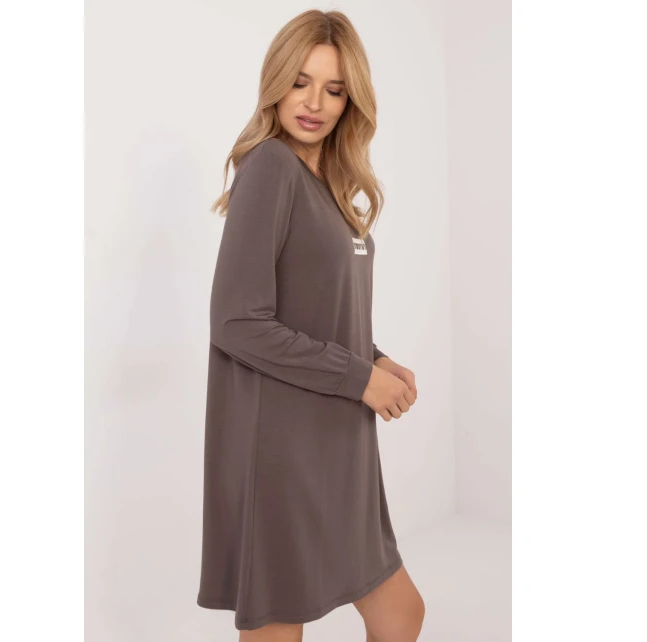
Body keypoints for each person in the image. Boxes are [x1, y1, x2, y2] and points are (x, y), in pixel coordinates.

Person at [197, 9, 425, 641]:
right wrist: (360, 377)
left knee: (400, 613)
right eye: (300, 82)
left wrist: (373, 358)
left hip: (339, 439)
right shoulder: (271, 166)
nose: (314, 103)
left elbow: (313, 307)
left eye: (334, 89)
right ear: (275, 81)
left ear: (352, 100)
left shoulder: (330, 184)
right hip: (283, 445)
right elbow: (236, 321)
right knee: (280, 628)